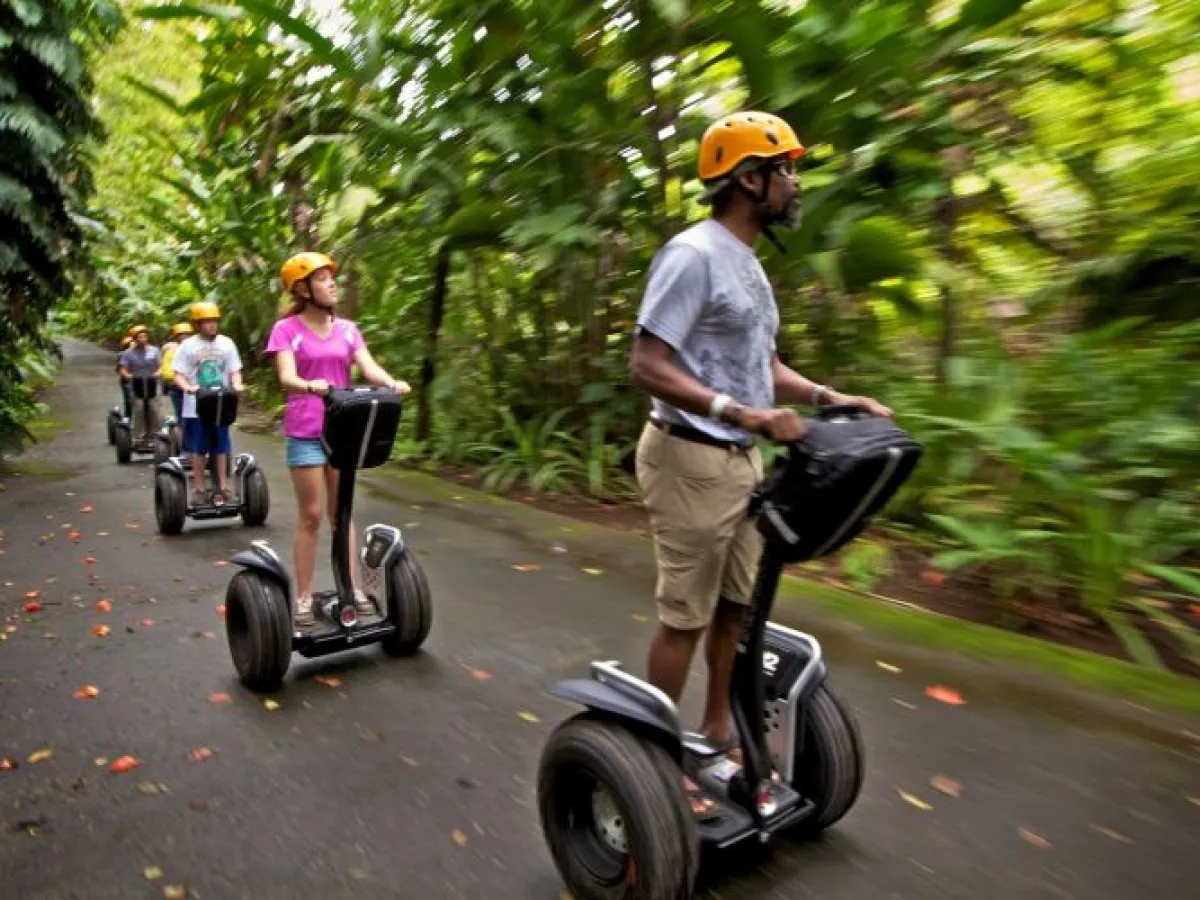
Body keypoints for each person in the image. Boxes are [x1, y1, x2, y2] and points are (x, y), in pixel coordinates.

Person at [629, 110, 893, 817]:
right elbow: (648, 364)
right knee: (685, 616)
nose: (796, 183)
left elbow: (761, 364)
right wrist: (736, 412)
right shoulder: (693, 254)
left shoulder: (746, 263)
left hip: (743, 463)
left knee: (737, 607)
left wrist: (831, 397)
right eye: (787, 170)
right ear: (750, 179)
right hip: (689, 458)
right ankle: (657, 762)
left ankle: (717, 729)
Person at [265, 251, 411, 627]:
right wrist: (309, 385)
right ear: (302, 288)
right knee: (311, 515)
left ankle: (353, 589)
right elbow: (286, 375)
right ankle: (303, 596)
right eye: (322, 278)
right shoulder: (287, 330)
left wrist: (390, 382)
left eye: (332, 278)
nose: (332, 283)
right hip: (306, 430)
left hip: (343, 429)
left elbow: (368, 365)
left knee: (342, 512)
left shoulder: (347, 329)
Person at [171, 302, 244, 507]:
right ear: (197, 324)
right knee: (199, 446)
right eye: (206, 322)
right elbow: (179, 374)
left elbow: (235, 370)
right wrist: (187, 387)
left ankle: (223, 484)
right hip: (196, 405)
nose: (212, 326)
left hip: (221, 402)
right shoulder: (187, 346)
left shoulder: (227, 344)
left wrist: (237, 384)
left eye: (214, 321)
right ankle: (199, 487)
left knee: (221, 446)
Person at [117, 325, 162, 439]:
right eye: (139, 337)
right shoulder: (128, 353)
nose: (142, 339)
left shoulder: (154, 351)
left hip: (152, 383)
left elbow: (161, 365)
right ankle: (138, 436)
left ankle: (156, 434)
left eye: (144, 337)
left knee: (153, 408)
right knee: (139, 408)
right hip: (136, 384)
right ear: (134, 339)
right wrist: (127, 375)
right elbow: (122, 368)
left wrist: (158, 372)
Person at [159, 322, 193, 452]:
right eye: (181, 335)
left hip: (196, 390)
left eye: (187, 335)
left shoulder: (196, 349)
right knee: (183, 420)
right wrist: (179, 378)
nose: (184, 337)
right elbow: (166, 371)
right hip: (178, 390)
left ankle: (202, 449)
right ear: (176, 337)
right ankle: (184, 449)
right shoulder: (171, 352)